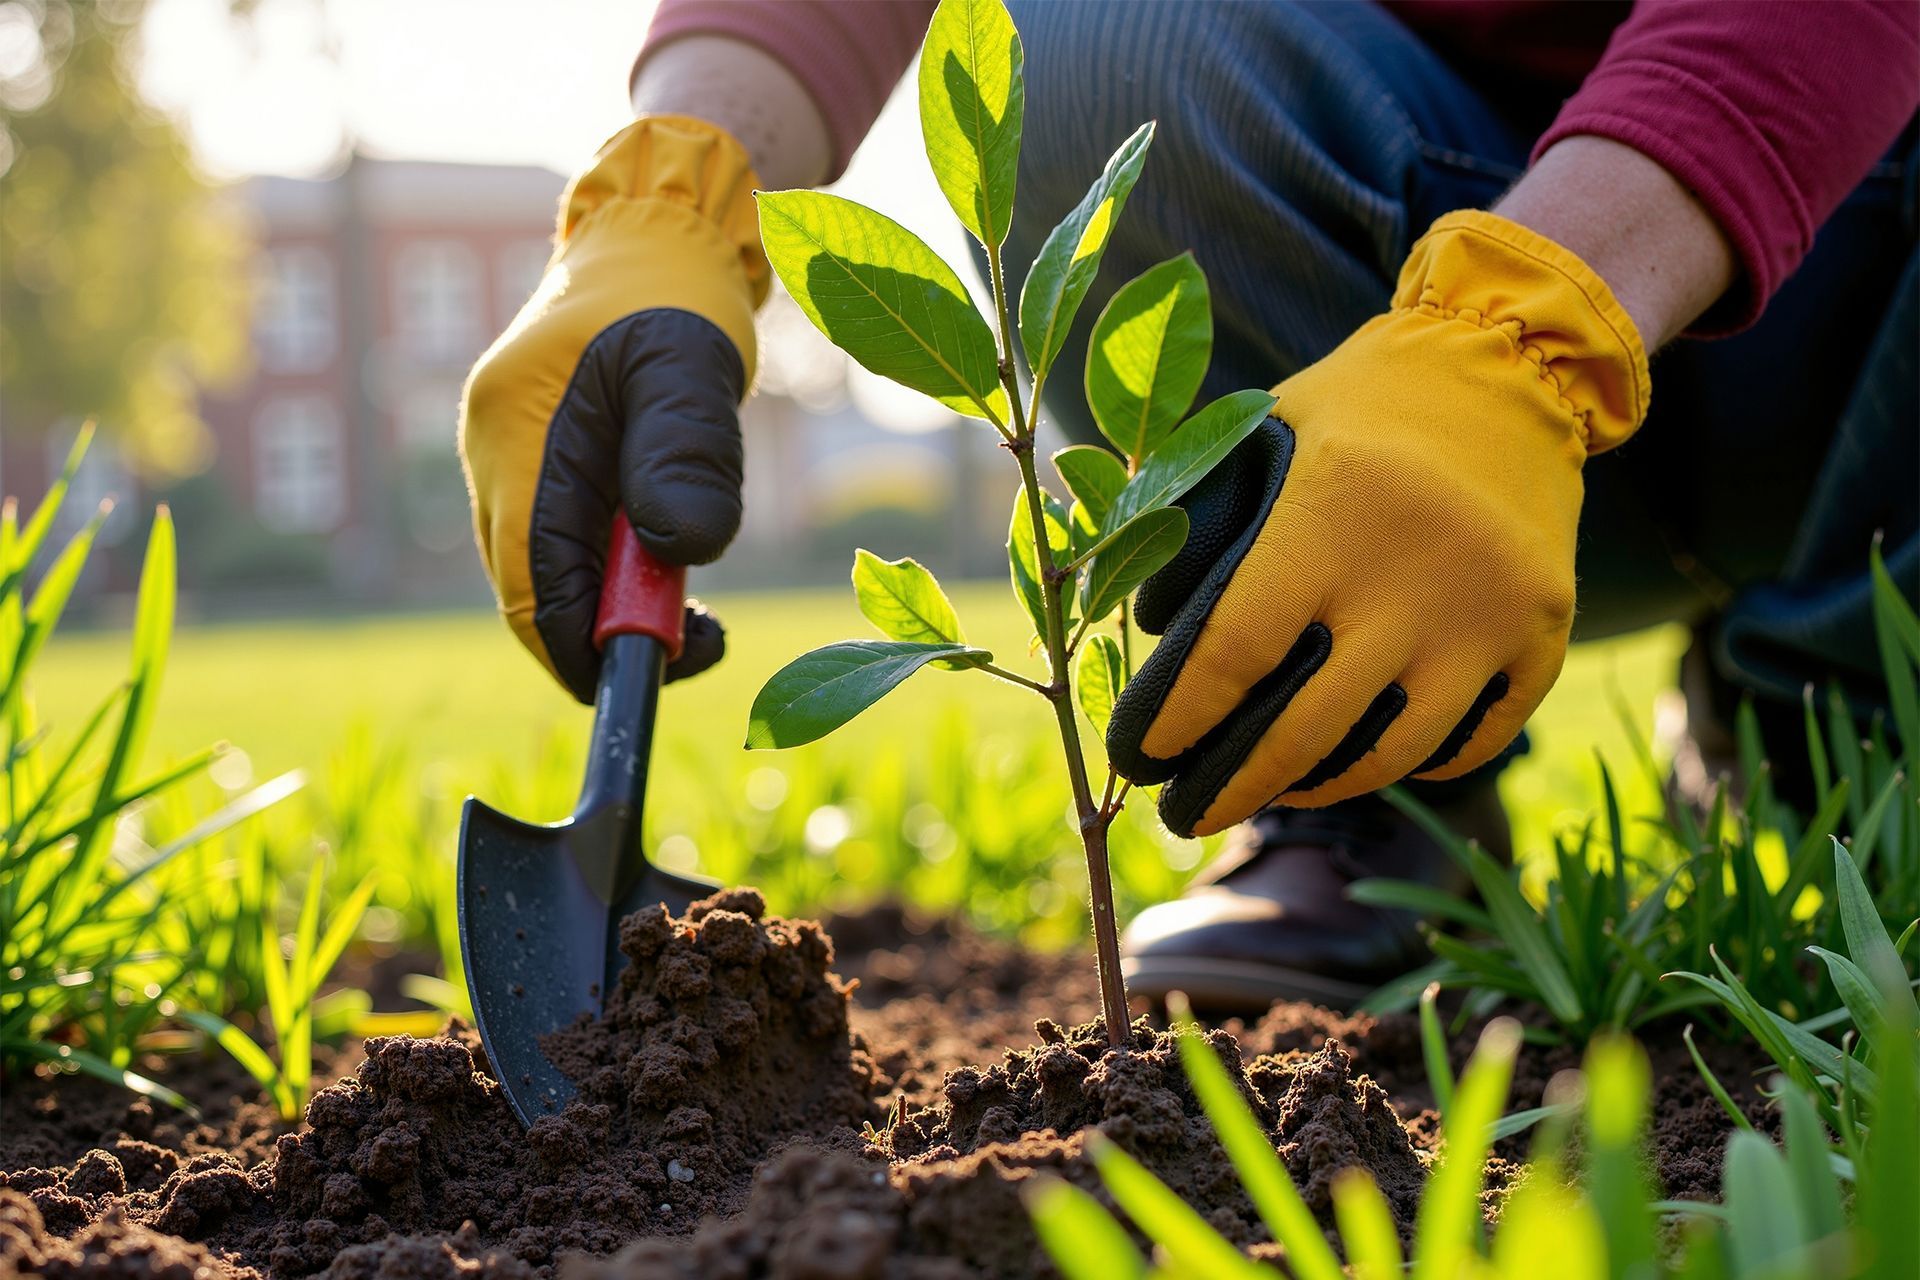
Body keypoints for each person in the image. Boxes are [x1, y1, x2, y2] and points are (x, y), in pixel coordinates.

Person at [459, 1, 1919, 1012]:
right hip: (1375, 302)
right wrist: (680, 182)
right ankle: (1373, 800)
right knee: (1099, 38)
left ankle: (1838, 733)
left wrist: (1525, 329)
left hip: (1853, 287)